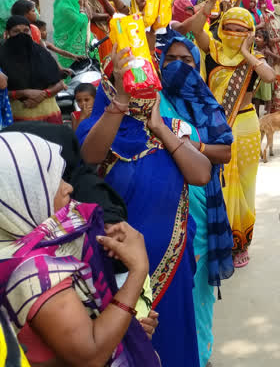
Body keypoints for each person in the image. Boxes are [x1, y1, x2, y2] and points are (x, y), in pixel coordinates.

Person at [77, 43, 214, 367]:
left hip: (174, 263)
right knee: (135, 350)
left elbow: (202, 174)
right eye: (128, 82)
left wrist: (160, 129)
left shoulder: (169, 127)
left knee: (175, 347)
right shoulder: (93, 128)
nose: (140, 89)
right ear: (109, 85)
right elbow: (91, 156)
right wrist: (120, 103)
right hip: (120, 272)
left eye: (145, 79)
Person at [0, 131, 160, 366]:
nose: (68, 188)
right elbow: (92, 353)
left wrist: (123, 325)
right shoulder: (33, 272)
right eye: (52, 181)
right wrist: (138, 270)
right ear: (20, 192)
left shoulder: (24, 241)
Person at [158, 33, 235, 365]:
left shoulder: (206, 104)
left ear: (198, 64)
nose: (178, 67)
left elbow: (225, 151)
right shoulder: (151, 101)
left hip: (202, 208)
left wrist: (189, 145)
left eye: (186, 61)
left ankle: (201, 358)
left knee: (197, 290)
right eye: (171, 60)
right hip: (162, 205)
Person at [186, 7, 276, 268]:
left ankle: (241, 244)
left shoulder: (254, 58)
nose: (234, 34)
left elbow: (270, 76)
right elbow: (195, 29)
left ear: (250, 33)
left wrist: (247, 53)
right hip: (215, 127)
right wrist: (208, 6)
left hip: (246, 126)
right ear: (221, 28)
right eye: (230, 28)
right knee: (216, 183)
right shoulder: (212, 50)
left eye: (241, 30)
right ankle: (220, 241)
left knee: (246, 187)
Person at [0, 16, 65, 124]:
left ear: (31, 32)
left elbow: (60, 84)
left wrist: (44, 94)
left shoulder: (41, 53)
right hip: (17, 121)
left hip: (51, 117)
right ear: (7, 33)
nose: (22, 35)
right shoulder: (2, 56)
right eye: (16, 31)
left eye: (26, 30)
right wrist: (24, 92)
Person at [52, 0, 91, 69]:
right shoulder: (65, 8)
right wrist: (81, 6)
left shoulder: (69, 5)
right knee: (71, 74)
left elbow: (89, 16)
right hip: (69, 48)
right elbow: (82, 21)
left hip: (70, 47)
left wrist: (84, 3)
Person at [85, 0, 116, 64]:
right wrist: (107, 16)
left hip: (106, 33)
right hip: (95, 33)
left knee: (109, 62)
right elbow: (92, 16)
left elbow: (113, 13)